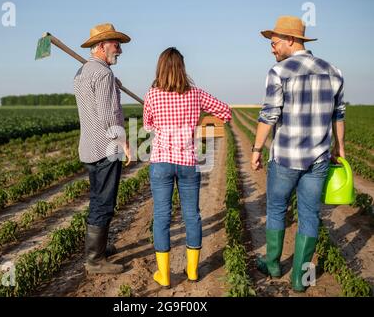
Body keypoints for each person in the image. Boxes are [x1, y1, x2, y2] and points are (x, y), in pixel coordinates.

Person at [251, 16, 346, 292]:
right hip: (318, 158)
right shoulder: (334, 71)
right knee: (309, 215)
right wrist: (339, 148)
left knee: (277, 208)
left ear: (291, 40)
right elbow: (338, 115)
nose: (272, 49)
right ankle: (300, 280)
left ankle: (272, 264)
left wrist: (257, 149)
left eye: (274, 43)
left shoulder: (279, 72)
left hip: (285, 158)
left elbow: (269, 116)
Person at [143, 47, 232, 287]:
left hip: (161, 162)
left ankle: (164, 275)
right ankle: (192, 271)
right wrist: (202, 123)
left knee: (162, 216)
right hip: (187, 162)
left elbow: (148, 125)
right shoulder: (196, 94)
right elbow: (226, 111)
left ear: (160, 68)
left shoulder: (151, 95)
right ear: (182, 68)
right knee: (192, 215)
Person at [74, 23, 131, 274]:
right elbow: (108, 116)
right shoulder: (103, 74)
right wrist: (124, 143)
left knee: (98, 199)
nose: (119, 50)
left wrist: (112, 87)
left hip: (88, 146)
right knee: (104, 202)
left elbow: (94, 102)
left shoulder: (82, 72)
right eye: (115, 44)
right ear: (101, 46)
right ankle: (95, 260)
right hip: (106, 148)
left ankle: (98, 250)